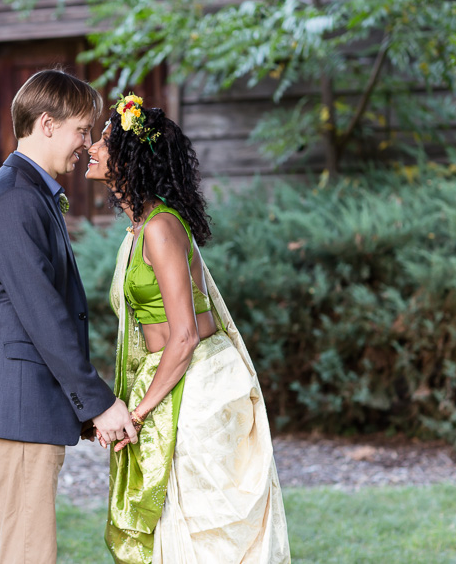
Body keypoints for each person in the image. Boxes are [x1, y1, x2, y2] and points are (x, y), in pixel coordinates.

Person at [85, 94, 290, 563]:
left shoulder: (158, 227)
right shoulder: (141, 226)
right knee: (177, 521)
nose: (92, 149)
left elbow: (183, 335)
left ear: (129, 158)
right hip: (180, 375)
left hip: (195, 385)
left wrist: (137, 415)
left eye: (104, 141)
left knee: (198, 524)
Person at [0, 69, 138, 564]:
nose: (87, 143)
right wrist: (98, 403)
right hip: (17, 401)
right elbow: (44, 315)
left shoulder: (29, 192)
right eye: (82, 129)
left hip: (22, 401)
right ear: (47, 124)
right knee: (27, 552)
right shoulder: (15, 199)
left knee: (13, 548)